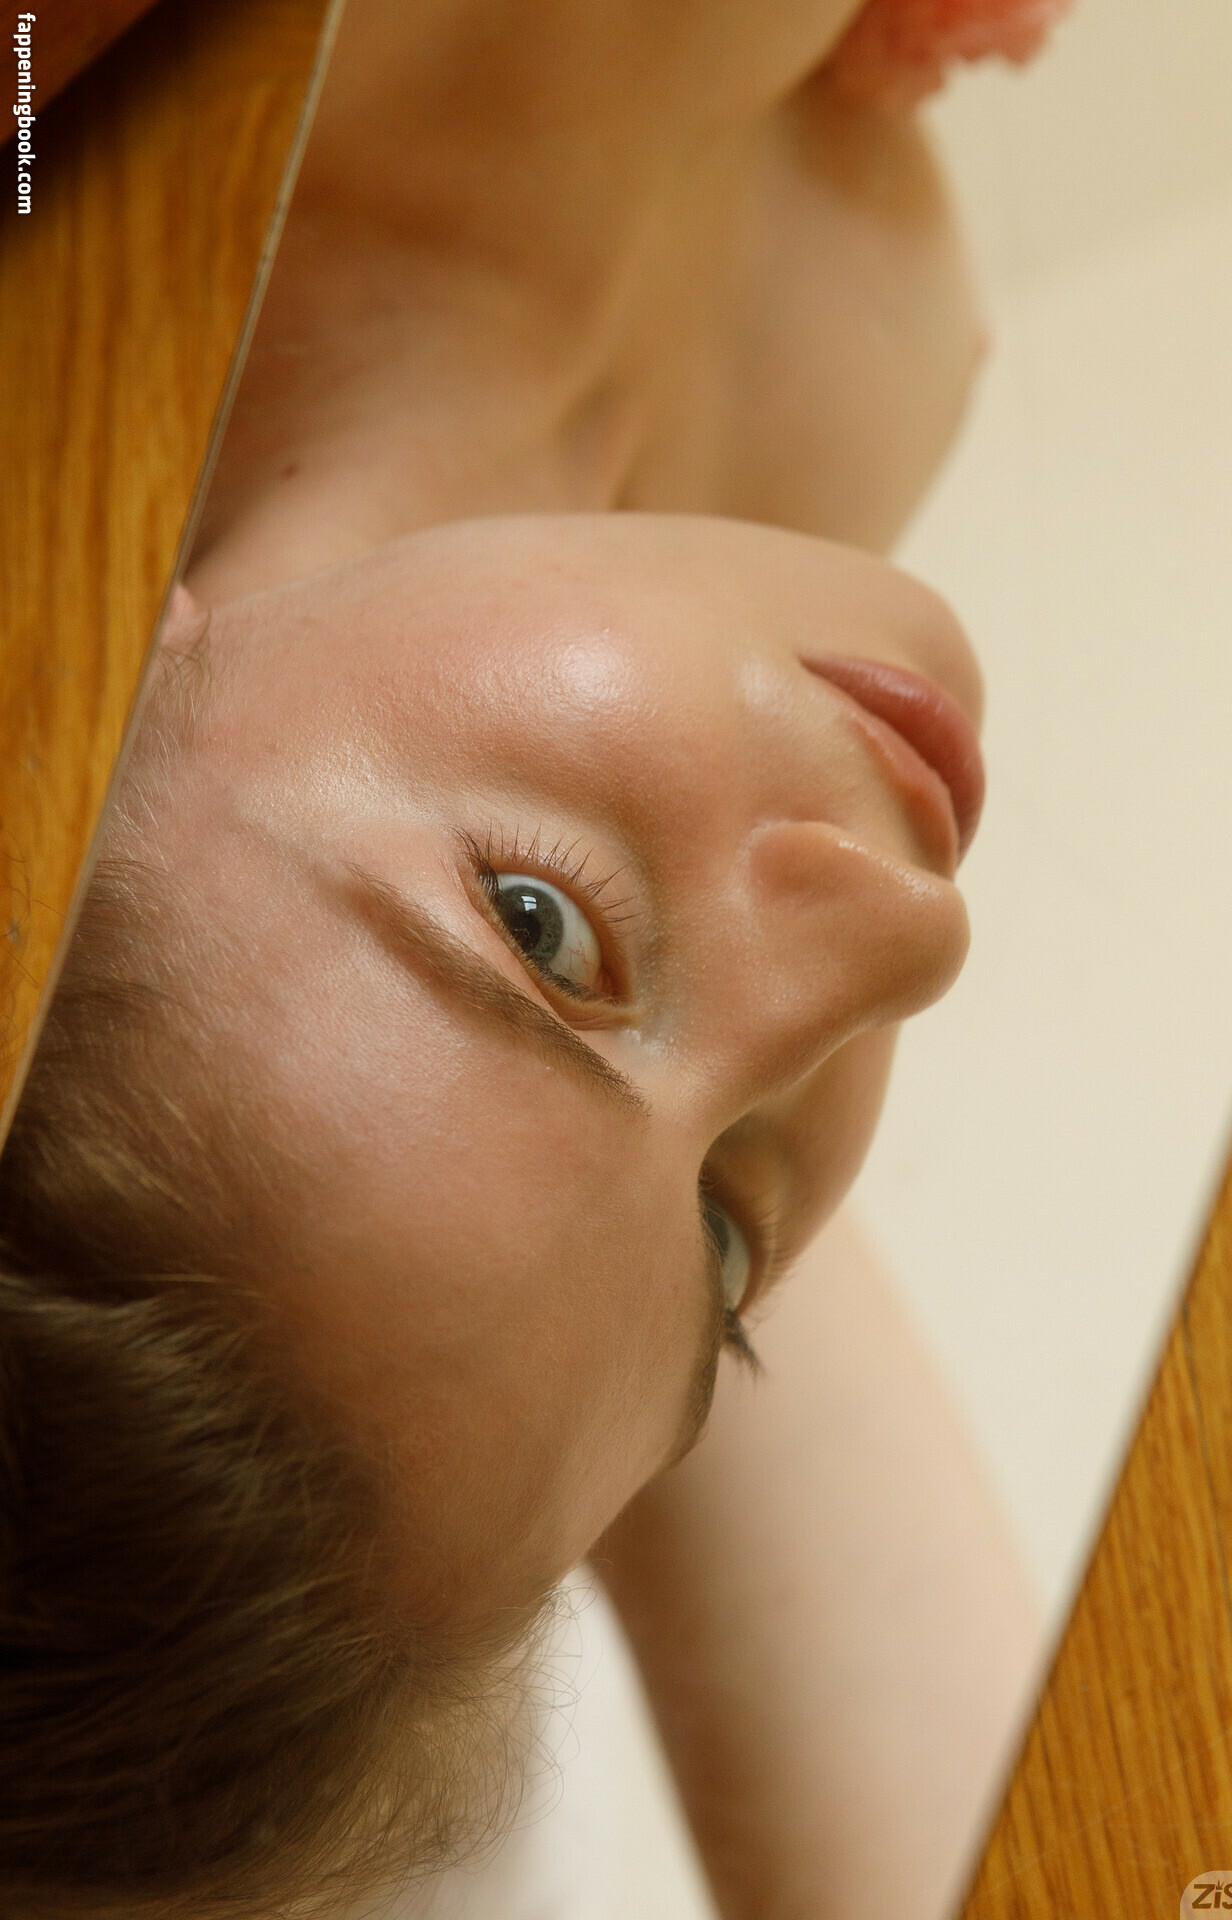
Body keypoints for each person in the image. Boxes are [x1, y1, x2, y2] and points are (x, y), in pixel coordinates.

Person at [0, 1, 1063, 1915]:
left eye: (540, 928)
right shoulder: (795, 515)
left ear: (71, 692)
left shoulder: (73, 130)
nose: (907, 940)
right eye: (725, 1253)